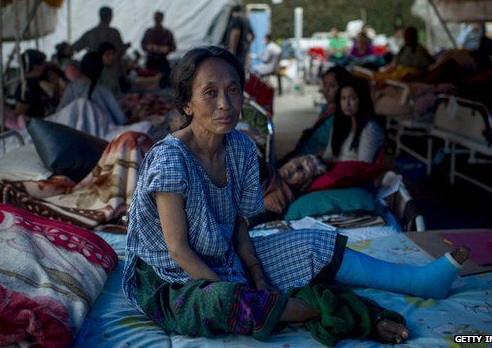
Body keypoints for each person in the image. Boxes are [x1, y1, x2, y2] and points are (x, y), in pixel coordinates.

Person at [122, 46, 469, 345]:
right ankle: (357, 316)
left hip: (223, 256)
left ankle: (420, 282)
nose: (225, 104)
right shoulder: (171, 158)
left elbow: (241, 223)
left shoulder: (240, 147)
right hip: (169, 278)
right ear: (186, 104)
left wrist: (256, 274)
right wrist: (239, 289)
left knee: (312, 244)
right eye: (210, 92)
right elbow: (178, 250)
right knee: (225, 303)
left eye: (233, 90)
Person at [279, 66, 352, 164]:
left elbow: (329, 153)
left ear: (343, 87)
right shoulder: (327, 109)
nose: (326, 90)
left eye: (332, 85)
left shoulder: (342, 115)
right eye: (325, 84)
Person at [57, 51, 125, 125]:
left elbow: (59, 113)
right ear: (100, 70)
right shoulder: (102, 92)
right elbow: (120, 119)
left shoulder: (71, 88)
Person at [15, 49, 59, 118]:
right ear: (36, 67)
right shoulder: (27, 88)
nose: (45, 66)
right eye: (43, 63)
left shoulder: (38, 79)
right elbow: (19, 114)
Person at [141, 11, 177, 88]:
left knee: (164, 81)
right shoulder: (149, 32)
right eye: (155, 18)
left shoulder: (167, 33)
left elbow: (173, 47)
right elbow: (143, 45)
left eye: (158, 18)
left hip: (162, 61)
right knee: (149, 81)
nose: (157, 20)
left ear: (162, 19)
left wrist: (166, 49)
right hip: (151, 60)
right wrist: (148, 47)